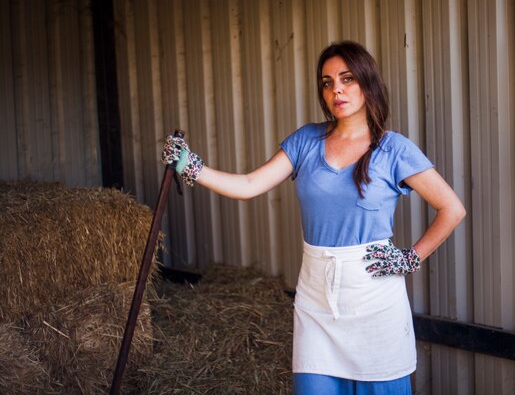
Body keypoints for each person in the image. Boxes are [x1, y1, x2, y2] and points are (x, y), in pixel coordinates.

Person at [161, 40, 466, 395]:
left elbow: (452, 208)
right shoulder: (306, 140)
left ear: (367, 83)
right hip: (316, 301)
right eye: (327, 81)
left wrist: (410, 257)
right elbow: (248, 184)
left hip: (374, 300)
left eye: (347, 78)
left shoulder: (393, 148)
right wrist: (190, 166)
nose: (336, 88)